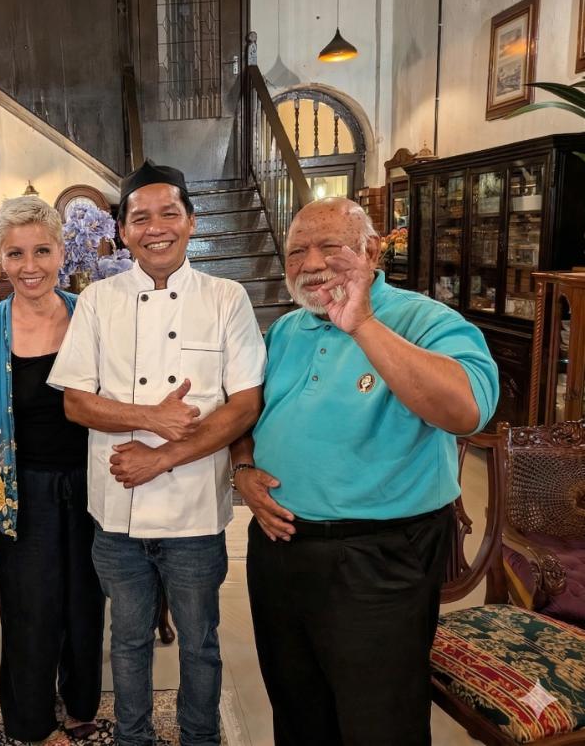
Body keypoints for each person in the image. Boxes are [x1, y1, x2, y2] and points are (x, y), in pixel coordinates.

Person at [236, 197, 499, 746]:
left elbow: (466, 409)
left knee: (379, 720)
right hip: (280, 550)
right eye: (297, 250)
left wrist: (362, 325)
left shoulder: (423, 319)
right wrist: (242, 468)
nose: (311, 262)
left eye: (329, 246)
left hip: (379, 557)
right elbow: (245, 409)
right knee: (298, 706)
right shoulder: (285, 330)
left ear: (371, 251)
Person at [49, 161, 266, 746]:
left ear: (192, 222)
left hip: (194, 512)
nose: (156, 227)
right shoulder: (97, 299)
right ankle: (134, 739)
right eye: (139, 217)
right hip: (115, 512)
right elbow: (75, 402)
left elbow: (244, 404)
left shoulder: (228, 298)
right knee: (127, 638)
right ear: (122, 231)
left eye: (170, 213)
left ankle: (200, 738)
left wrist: (161, 455)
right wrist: (151, 419)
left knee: (199, 640)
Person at [0, 196, 105, 746]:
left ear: (61, 251)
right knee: (30, 611)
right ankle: (31, 723)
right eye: (16, 253)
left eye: (42, 250)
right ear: (1, 257)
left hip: (93, 484)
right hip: (18, 488)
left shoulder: (89, 314)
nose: (30, 266)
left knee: (86, 604)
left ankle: (81, 706)